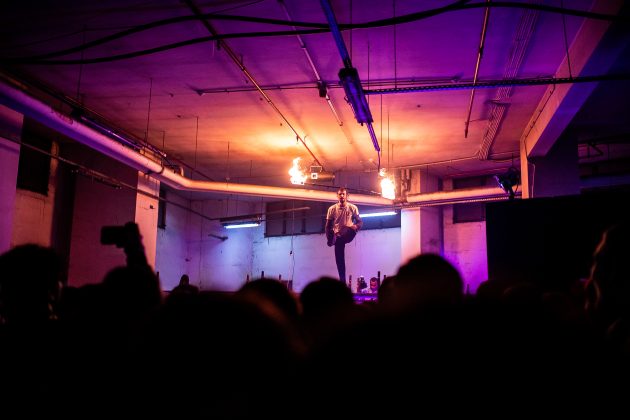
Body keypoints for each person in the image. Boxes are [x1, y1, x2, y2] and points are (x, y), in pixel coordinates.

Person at [325, 187, 363, 283]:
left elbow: (360, 222)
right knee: (339, 260)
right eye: (340, 194)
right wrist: (329, 240)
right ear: (337, 196)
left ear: (347, 196)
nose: (342, 196)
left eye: (343, 194)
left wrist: (356, 226)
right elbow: (327, 226)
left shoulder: (352, 207)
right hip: (338, 236)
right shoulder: (332, 209)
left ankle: (339, 235)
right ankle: (342, 281)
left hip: (349, 232)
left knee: (345, 228)